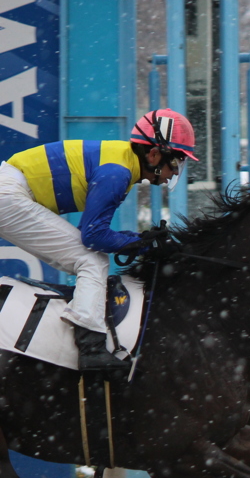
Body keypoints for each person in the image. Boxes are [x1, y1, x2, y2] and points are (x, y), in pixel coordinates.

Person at [0, 109, 198, 371]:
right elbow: (92, 237)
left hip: (10, 191)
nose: (173, 173)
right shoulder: (117, 173)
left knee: (89, 255)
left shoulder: (121, 165)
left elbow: (88, 231)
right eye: (175, 162)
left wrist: (139, 240)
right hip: (9, 196)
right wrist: (143, 245)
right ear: (153, 154)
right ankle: (90, 345)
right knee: (91, 259)